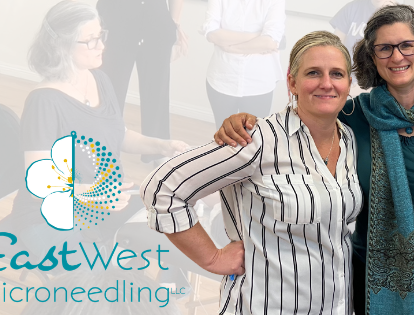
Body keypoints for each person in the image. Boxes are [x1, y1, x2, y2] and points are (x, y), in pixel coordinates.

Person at [214, 5, 414, 314]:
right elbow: (301, 118)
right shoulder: (353, 115)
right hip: (372, 277)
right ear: (372, 59)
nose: (397, 56)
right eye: (384, 49)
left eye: (406, 45)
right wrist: (243, 120)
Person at [141, 31, 362, 315]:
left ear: (348, 83)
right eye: (313, 73)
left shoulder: (350, 141)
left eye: (337, 74)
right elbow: (162, 188)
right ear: (292, 82)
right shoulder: (257, 140)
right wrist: (213, 258)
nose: (326, 83)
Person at [0, 0, 188, 261]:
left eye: (101, 36)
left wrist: (163, 145)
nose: (102, 46)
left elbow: (119, 133)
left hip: (101, 204)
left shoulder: (99, 79)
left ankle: (169, 289)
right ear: (62, 45)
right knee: (109, 278)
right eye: (91, 40)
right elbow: (41, 183)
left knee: (176, 214)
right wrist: (97, 193)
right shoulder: (44, 101)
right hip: (51, 216)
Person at [96, 0, 188, 164]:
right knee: (109, 90)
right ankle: (104, 146)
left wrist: (174, 24)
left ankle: (158, 151)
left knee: (157, 89)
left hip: (156, 21)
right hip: (114, 19)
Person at [201, 0, 285, 126]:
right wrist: (258, 36)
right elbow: (212, 33)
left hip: (258, 83)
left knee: (255, 139)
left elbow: (270, 41)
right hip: (222, 79)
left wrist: (232, 47)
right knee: (225, 138)